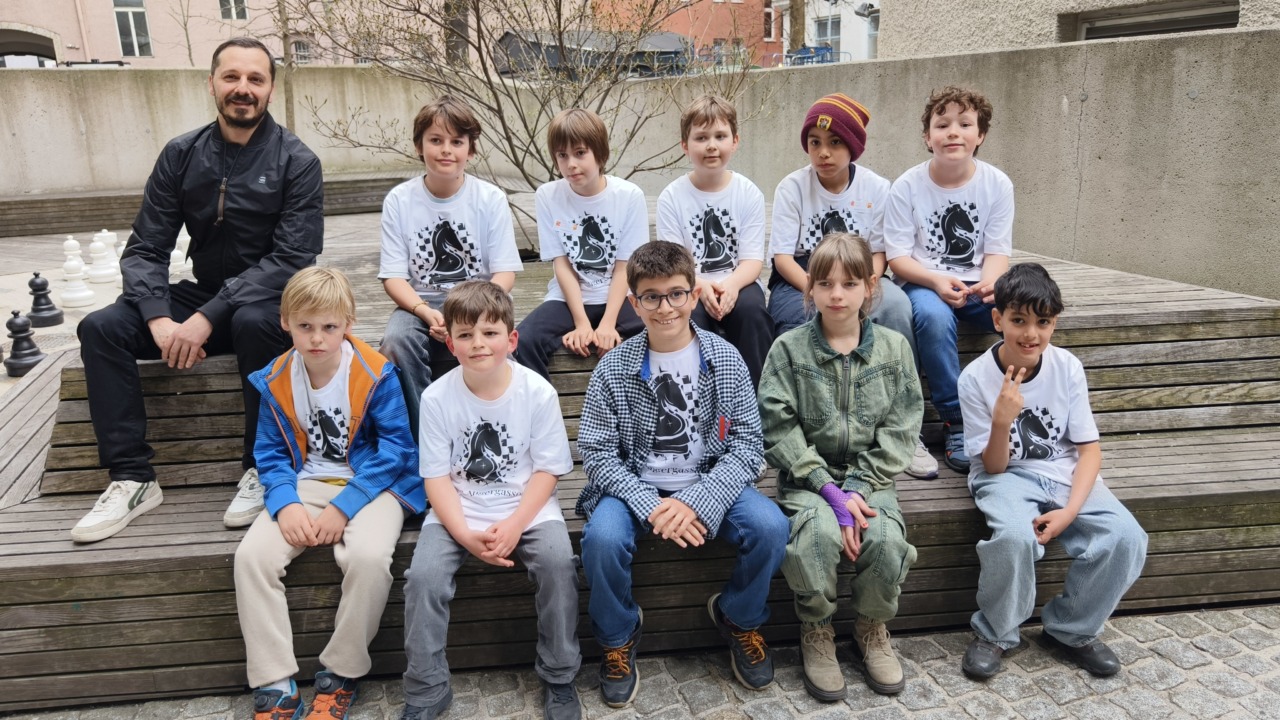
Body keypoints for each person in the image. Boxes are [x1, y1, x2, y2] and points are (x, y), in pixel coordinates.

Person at [70, 37, 324, 542]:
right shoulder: (181, 154)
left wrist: (208, 316)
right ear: (212, 84)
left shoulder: (297, 161)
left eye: (255, 79)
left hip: (266, 305)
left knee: (254, 319)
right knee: (100, 327)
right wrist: (158, 317)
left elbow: (292, 259)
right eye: (231, 77)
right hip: (203, 295)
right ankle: (133, 478)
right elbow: (145, 248)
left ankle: (262, 469)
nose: (243, 88)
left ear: (270, 90)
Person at [576, 241, 789, 708]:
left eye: (675, 294)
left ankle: (738, 617)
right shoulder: (613, 367)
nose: (665, 307)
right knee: (602, 539)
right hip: (634, 484)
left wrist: (695, 501)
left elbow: (748, 446)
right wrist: (651, 505)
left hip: (708, 481)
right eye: (651, 297)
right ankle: (618, 636)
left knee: (771, 526)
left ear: (694, 296)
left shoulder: (725, 358)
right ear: (634, 303)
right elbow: (596, 452)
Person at [234, 267, 424, 720]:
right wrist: (285, 503)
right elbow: (270, 453)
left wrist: (344, 507)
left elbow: (396, 450)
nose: (317, 338)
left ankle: (341, 671)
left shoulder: (376, 374)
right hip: (306, 482)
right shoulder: (275, 378)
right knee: (252, 558)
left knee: (368, 558)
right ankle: (274, 681)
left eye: (329, 326)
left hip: (375, 485)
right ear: (286, 322)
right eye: (305, 326)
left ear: (348, 324)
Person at [957, 263, 1147, 680]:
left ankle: (1071, 630)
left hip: (1064, 473)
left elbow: (1089, 452)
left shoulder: (1067, 367)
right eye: (1019, 321)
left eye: (1042, 323)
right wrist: (1001, 421)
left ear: (1054, 323)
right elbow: (992, 465)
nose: (1031, 334)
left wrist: (1069, 512)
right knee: (1013, 537)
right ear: (998, 319)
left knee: (1127, 537)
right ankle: (995, 633)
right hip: (1004, 475)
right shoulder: (975, 379)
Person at [400, 281, 581, 720]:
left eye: (490, 333)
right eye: (465, 334)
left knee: (558, 563)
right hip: (458, 508)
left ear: (512, 339)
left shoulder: (536, 391)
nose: (478, 343)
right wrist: (464, 534)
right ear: (450, 343)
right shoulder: (436, 397)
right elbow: (436, 478)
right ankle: (426, 688)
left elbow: (548, 470)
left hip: (528, 508)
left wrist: (516, 524)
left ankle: (559, 675)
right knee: (423, 578)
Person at [758, 232, 922, 700]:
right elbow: (777, 425)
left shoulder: (894, 349)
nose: (836, 295)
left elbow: (902, 428)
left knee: (886, 540)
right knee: (816, 537)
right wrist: (829, 491)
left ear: (870, 288)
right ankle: (817, 629)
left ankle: (871, 628)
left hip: (872, 479)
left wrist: (858, 489)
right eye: (825, 283)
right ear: (809, 288)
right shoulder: (788, 349)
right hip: (807, 480)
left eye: (849, 284)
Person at [768, 93, 935, 479]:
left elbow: (879, 252)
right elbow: (782, 258)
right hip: (802, 275)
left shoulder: (876, 187)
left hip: (862, 274)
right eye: (814, 143)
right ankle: (805, 433)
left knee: (897, 307)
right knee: (799, 319)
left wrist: (864, 287)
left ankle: (904, 432)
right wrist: (818, 289)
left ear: (854, 146)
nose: (823, 153)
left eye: (835, 142)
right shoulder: (792, 187)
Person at [884, 86, 1013, 474]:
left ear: (981, 134)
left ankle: (1020, 410)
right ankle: (956, 420)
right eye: (942, 125)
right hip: (924, 282)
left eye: (965, 124)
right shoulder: (907, 186)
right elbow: (897, 258)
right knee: (934, 318)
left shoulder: (997, 184)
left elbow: (997, 251)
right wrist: (937, 282)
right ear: (928, 137)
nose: (953, 132)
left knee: (1023, 311)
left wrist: (989, 284)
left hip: (978, 282)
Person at [378, 96, 523, 436]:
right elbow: (394, 277)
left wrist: (468, 314)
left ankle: (504, 428)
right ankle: (426, 435)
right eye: (436, 140)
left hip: (480, 299)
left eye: (457, 142)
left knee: (498, 344)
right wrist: (424, 311)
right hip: (421, 303)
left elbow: (505, 273)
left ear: (471, 150)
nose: (446, 150)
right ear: (419, 146)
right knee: (396, 341)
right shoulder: (399, 200)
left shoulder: (489, 198)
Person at [513, 108, 645, 379]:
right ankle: (544, 406)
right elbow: (562, 265)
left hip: (621, 296)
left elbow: (626, 268)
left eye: (580, 153)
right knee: (524, 341)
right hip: (568, 298)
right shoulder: (548, 195)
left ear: (601, 153)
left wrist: (608, 324)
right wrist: (582, 323)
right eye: (562, 155)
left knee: (660, 332)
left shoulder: (629, 195)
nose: (571, 164)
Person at [654, 94, 772, 386]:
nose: (711, 145)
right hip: (688, 283)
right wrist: (701, 285)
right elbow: (673, 264)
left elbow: (752, 261)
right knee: (689, 316)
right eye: (701, 137)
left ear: (735, 141)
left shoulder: (748, 193)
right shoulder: (671, 197)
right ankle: (700, 395)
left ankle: (755, 396)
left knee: (752, 313)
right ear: (685, 145)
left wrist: (731, 286)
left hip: (739, 282)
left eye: (720, 136)